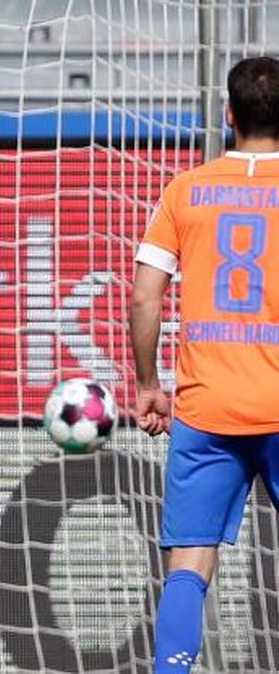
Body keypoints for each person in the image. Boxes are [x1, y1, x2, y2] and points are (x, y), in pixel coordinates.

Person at [130, 55, 279, 673]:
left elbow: (145, 295)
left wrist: (147, 384)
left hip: (205, 406)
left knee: (188, 569)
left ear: (227, 115)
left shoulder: (185, 189)